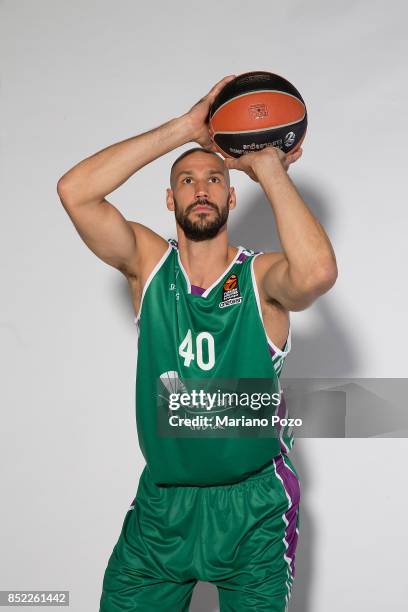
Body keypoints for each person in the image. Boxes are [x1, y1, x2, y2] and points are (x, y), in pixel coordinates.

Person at [57, 75, 337, 611]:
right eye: (187, 180)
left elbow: (318, 272)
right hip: (163, 510)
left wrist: (269, 166)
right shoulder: (148, 266)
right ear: (170, 198)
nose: (201, 188)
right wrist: (185, 128)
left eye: (213, 179)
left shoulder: (262, 280)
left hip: (252, 511)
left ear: (232, 194)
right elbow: (75, 192)